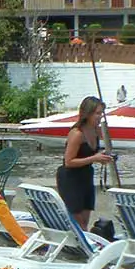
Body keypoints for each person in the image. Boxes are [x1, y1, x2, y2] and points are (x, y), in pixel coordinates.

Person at [56, 96, 113, 231]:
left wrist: (103, 156)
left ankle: (83, 246)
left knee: (85, 221)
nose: (100, 117)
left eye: (101, 113)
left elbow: (90, 152)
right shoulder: (77, 134)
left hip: (86, 176)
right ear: (88, 113)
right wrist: (94, 158)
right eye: (97, 113)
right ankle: (80, 247)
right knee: (78, 222)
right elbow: (68, 162)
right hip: (71, 178)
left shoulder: (95, 131)